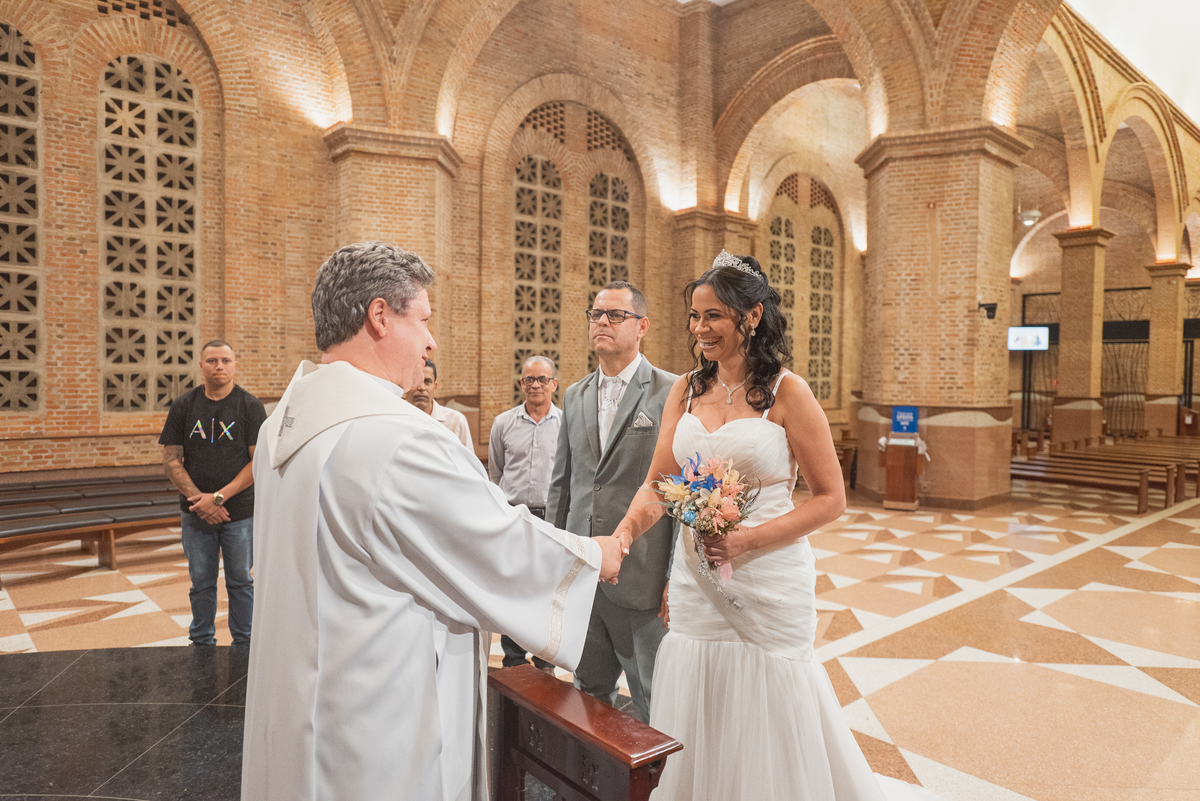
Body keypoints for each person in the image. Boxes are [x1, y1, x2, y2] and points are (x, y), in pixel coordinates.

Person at [240, 241, 625, 801]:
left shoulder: (281, 427)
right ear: (379, 317)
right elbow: (494, 542)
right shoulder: (396, 437)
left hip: (301, 704)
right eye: (422, 320)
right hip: (376, 719)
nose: (431, 341)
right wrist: (595, 556)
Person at [610, 252, 941, 801]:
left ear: (752, 316)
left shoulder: (789, 393)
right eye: (694, 316)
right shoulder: (684, 391)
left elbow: (831, 498)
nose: (700, 329)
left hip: (767, 575)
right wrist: (623, 535)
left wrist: (743, 540)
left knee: (770, 701)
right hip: (698, 580)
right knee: (700, 692)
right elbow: (657, 484)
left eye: (713, 315)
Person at [547, 281, 677, 723]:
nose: (601, 321)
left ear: (641, 326)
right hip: (583, 572)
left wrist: (674, 577)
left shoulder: (670, 392)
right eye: (595, 314)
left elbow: (677, 492)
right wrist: (557, 558)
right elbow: (563, 486)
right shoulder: (574, 394)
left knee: (652, 698)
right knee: (587, 693)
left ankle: (655, 789)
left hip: (642, 576)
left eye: (614, 315)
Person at [159, 339, 266, 646]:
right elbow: (170, 461)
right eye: (213, 361)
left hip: (239, 512)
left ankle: (245, 644)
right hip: (196, 514)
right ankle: (202, 642)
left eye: (226, 361)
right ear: (201, 365)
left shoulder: (250, 406)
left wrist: (218, 498)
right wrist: (201, 502)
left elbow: (257, 462)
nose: (219, 366)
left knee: (241, 582)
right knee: (201, 583)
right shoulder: (184, 406)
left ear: (235, 365)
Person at [488, 354, 562, 673]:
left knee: (548, 590)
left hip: (551, 519)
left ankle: (545, 658)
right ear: (521, 384)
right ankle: (514, 658)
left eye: (542, 379)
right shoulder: (503, 423)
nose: (535, 385)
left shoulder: (566, 424)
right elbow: (496, 473)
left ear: (553, 384)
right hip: (514, 516)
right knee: (514, 588)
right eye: (529, 379)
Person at [405, 357, 473, 447]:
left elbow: (467, 460)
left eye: (427, 381)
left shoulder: (456, 422)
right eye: (416, 381)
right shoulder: (394, 419)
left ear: (435, 386)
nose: (421, 387)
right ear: (406, 385)